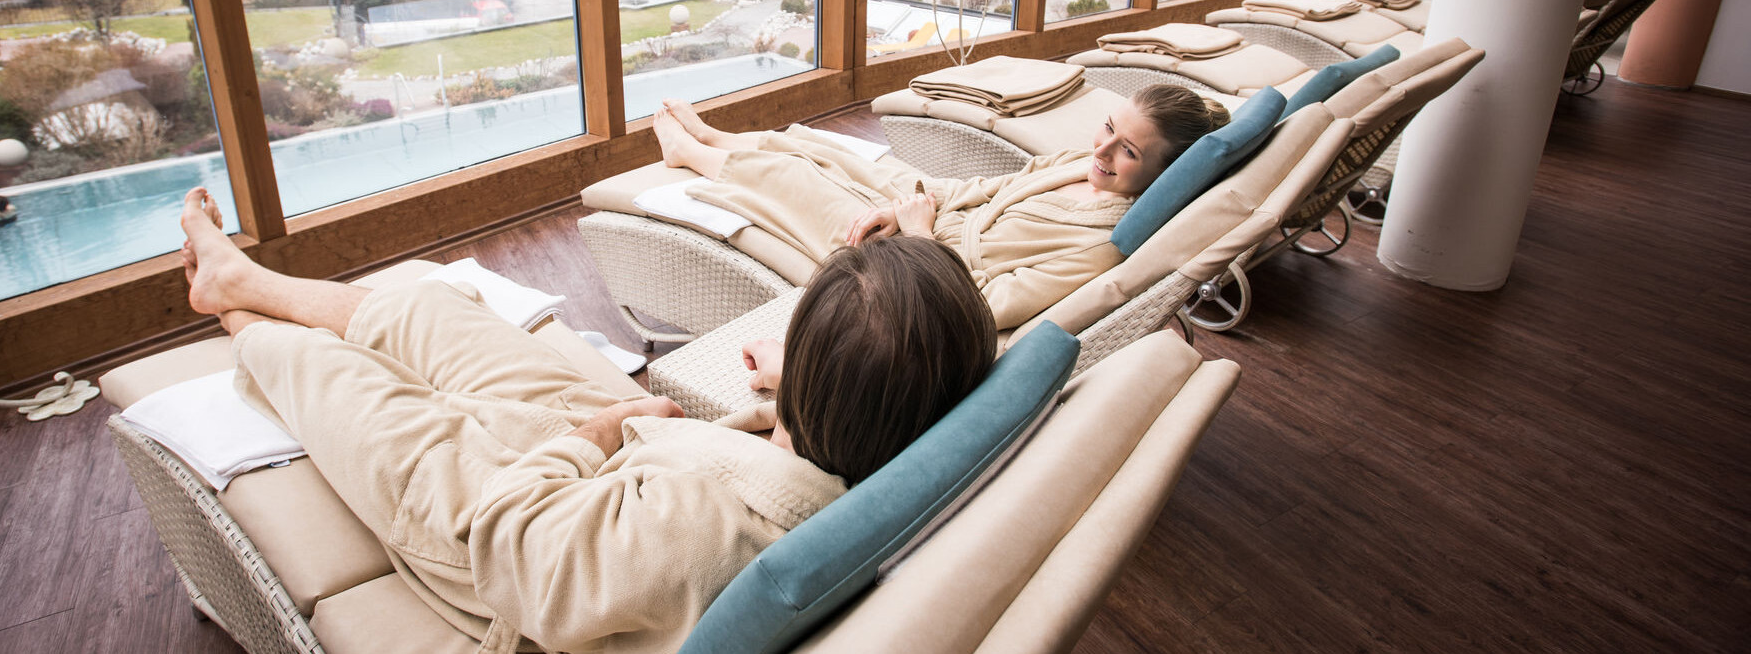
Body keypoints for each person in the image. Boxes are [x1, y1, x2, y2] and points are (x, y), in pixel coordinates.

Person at [176, 187, 994, 654]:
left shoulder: (709, 531)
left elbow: (521, 551)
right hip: (632, 456)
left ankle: (234, 315)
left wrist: (592, 438)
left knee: (336, 378)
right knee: (430, 310)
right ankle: (241, 276)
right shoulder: (877, 441)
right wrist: (777, 399)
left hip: (500, 525)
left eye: (800, 337)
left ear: (820, 388)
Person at [652, 85, 1230, 330]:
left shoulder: (1100, 246)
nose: (1099, 151)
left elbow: (984, 307)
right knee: (829, 150)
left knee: (795, 180)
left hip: (919, 276)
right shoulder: (1081, 164)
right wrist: (920, 202)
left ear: (1164, 174)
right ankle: (717, 139)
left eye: (1125, 151)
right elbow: (987, 186)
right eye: (1106, 128)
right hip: (933, 218)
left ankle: (689, 155)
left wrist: (919, 235)